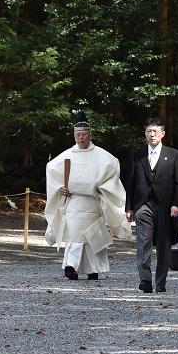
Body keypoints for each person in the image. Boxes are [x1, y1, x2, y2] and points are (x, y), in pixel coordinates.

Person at [44, 112, 133, 280]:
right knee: (74, 236)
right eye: (78, 135)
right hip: (73, 203)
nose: (81, 137)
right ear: (74, 136)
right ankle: (70, 266)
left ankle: (93, 269)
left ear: (90, 135)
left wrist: (102, 189)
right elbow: (51, 170)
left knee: (93, 236)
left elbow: (112, 174)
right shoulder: (66, 155)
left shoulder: (104, 157)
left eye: (84, 134)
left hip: (93, 203)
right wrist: (60, 188)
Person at [124, 117, 178, 293]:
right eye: (149, 131)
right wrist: (129, 207)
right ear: (145, 134)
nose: (152, 135)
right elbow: (131, 182)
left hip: (165, 206)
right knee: (143, 242)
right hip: (143, 204)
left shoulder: (174, 155)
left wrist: (176, 204)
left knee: (163, 245)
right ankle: (145, 280)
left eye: (155, 131)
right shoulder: (137, 155)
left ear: (162, 134)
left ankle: (160, 282)